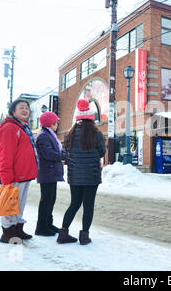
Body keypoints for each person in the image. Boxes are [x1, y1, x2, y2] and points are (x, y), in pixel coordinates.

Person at [57, 99, 106, 245]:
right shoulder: (96, 133)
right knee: (88, 206)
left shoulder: (69, 134)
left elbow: (63, 154)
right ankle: (84, 237)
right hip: (91, 175)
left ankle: (63, 233)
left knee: (74, 203)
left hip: (75, 175)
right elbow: (102, 152)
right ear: (91, 118)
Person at [0, 99, 39, 243]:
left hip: (24, 174)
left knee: (20, 205)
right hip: (14, 175)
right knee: (10, 205)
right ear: (13, 111)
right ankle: (7, 233)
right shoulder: (10, 128)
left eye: (27, 108)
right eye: (21, 107)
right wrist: (6, 177)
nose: (25, 110)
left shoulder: (23, 128)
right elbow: (5, 155)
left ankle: (17, 229)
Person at [34, 111, 64, 236]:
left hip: (50, 172)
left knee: (50, 199)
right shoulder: (43, 136)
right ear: (50, 123)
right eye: (56, 122)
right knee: (46, 200)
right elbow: (48, 154)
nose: (57, 124)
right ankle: (41, 227)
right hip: (47, 172)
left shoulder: (48, 134)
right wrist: (63, 156)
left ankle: (48, 224)